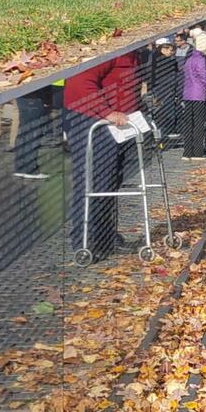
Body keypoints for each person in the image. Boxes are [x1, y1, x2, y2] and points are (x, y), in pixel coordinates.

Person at [63, 50, 141, 260]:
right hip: (93, 122)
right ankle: (85, 242)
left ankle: (105, 237)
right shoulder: (109, 49)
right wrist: (107, 112)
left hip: (118, 125)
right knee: (92, 182)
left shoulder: (132, 51)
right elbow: (79, 83)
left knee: (110, 182)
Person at [182, 34, 206, 158]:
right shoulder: (200, 60)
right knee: (199, 123)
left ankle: (187, 151)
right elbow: (204, 76)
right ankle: (198, 151)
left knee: (188, 123)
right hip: (198, 94)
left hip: (187, 94)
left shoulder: (189, 59)